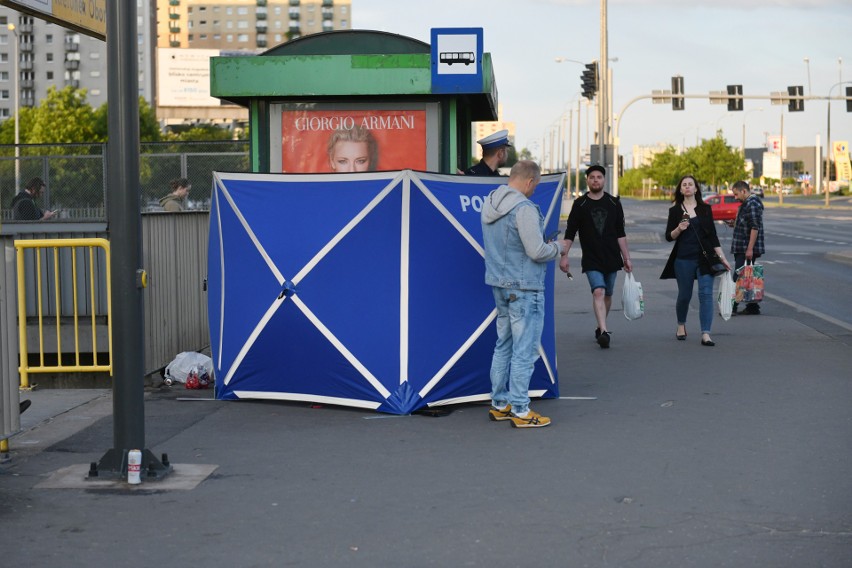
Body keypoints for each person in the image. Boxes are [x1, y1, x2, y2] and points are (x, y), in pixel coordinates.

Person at [481, 160, 569, 428]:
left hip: (499, 284)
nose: (534, 191)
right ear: (529, 181)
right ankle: (520, 409)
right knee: (524, 350)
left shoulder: (490, 203)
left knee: (503, 345)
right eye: (535, 185)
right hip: (524, 287)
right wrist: (559, 248)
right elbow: (537, 251)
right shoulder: (524, 209)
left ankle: (499, 403)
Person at [559, 164, 633, 349]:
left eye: (599, 177)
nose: (595, 180)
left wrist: (627, 258)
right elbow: (570, 233)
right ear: (587, 180)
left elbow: (620, 234)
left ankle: (600, 326)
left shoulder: (614, 203)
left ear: (604, 180)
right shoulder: (580, 204)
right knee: (598, 291)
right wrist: (564, 256)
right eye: (592, 177)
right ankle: (605, 332)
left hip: (612, 257)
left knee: (608, 293)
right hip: (591, 258)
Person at [660, 175, 731, 346]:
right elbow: (669, 237)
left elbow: (712, 236)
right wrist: (679, 228)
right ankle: (681, 325)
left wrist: (722, 258)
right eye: (684, 185)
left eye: (690, 184)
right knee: (684, 295)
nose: (687, 187)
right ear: (681, 189)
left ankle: (706, 333)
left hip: (705, 258)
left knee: (706, 295)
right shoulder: (675, 210)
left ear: (696, 188)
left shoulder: (705, 209)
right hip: (684, 258)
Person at [729, 180, 765, 315]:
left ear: (744, 191)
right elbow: (748, 224)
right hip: (742, 247)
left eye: (736, 194)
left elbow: (755, 227)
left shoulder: (752, 203)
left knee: (738, 277)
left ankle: (732, 307)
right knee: (748, 277)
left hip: (745, 248)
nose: (735, 197)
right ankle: (753, 307)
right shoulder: (746, 203)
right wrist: (735, 223)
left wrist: (750, 249)